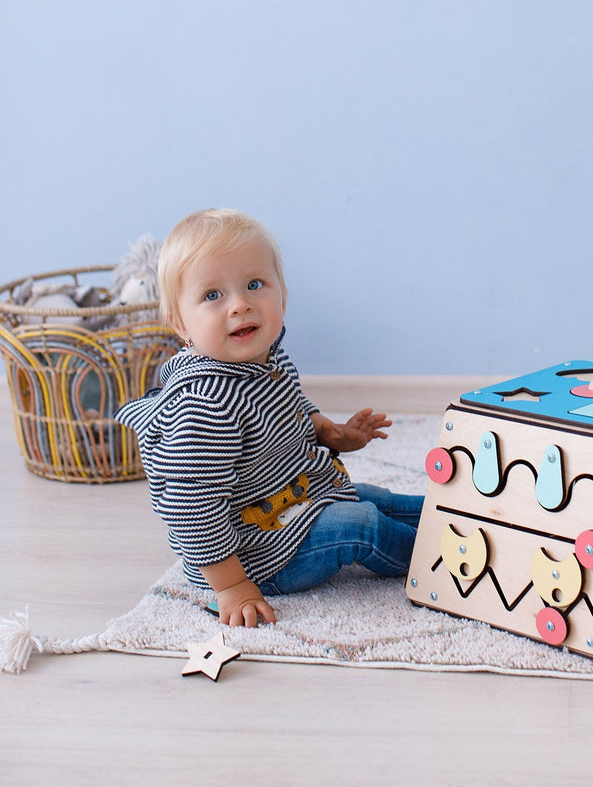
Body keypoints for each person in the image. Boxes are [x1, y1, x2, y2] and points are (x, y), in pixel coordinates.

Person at [115, 208, 423, 628]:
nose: (240, 305)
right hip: (258, 550)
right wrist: (232, 586)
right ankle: (442, 561)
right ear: (179, 323)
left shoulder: (268, 359)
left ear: (282, 295)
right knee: (362, 523)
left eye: (254, 285)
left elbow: (288, 410)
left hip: (298, 495)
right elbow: (191, 508)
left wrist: (330, 432)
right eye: (212, 295)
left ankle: (466, 517)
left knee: (377, 498)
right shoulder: (203, 405)